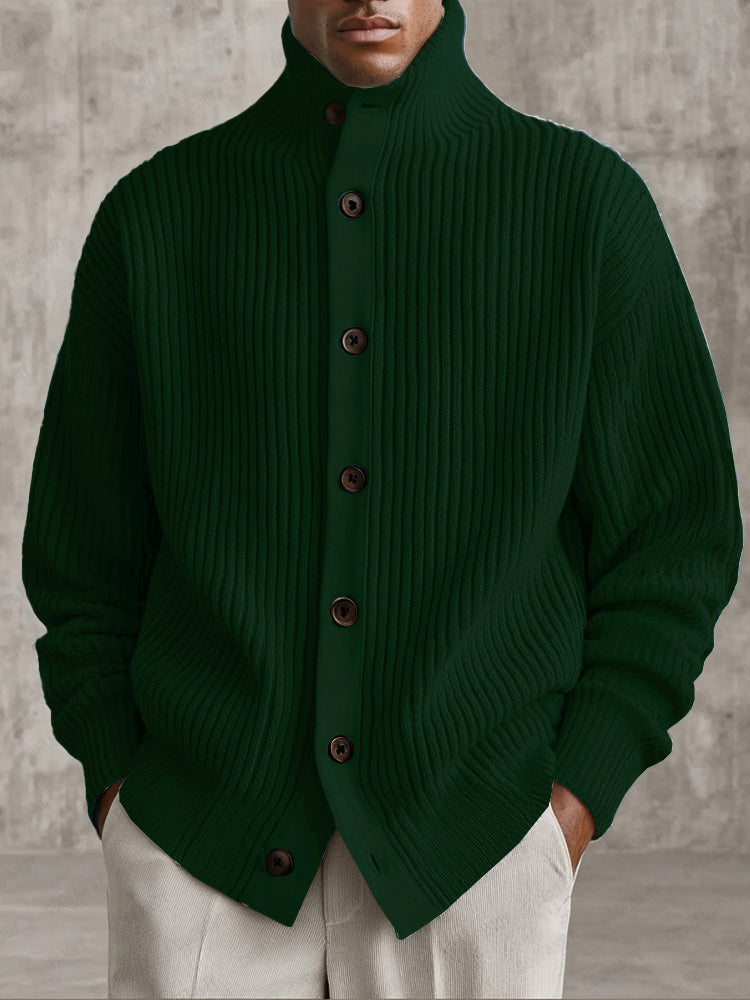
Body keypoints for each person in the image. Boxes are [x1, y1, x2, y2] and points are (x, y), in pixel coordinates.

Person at [21, 0, 742, 997]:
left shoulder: (583, 206)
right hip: (198, 844)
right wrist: (117, 784)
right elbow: (84, 553)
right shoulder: (158, 216)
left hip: (477, 848)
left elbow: (675, 540)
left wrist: (572, 803)